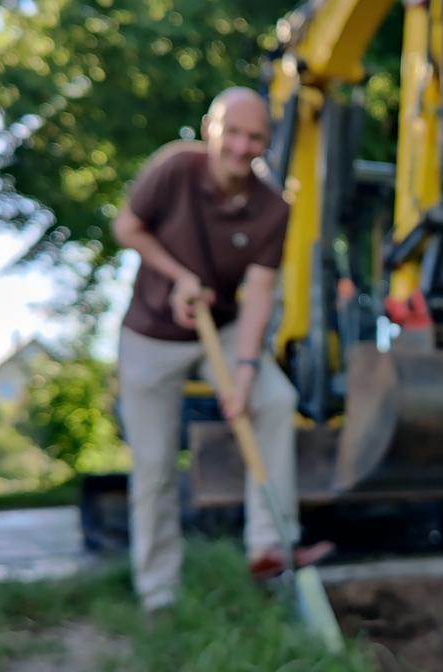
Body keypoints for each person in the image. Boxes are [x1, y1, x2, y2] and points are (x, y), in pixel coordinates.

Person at [111, 87, 332, 612]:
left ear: (266, 143)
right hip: (150, 334)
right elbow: (127, 227)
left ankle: (268, 547)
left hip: (226, 331)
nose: (241, 145)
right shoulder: (175, 168)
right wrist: (179, 276)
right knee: (156, 467)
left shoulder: (272, 209)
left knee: (274, 401)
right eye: (232, 131)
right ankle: (159, 596)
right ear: (210, 128)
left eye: (254, 136)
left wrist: (247, 369)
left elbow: (258, 294)